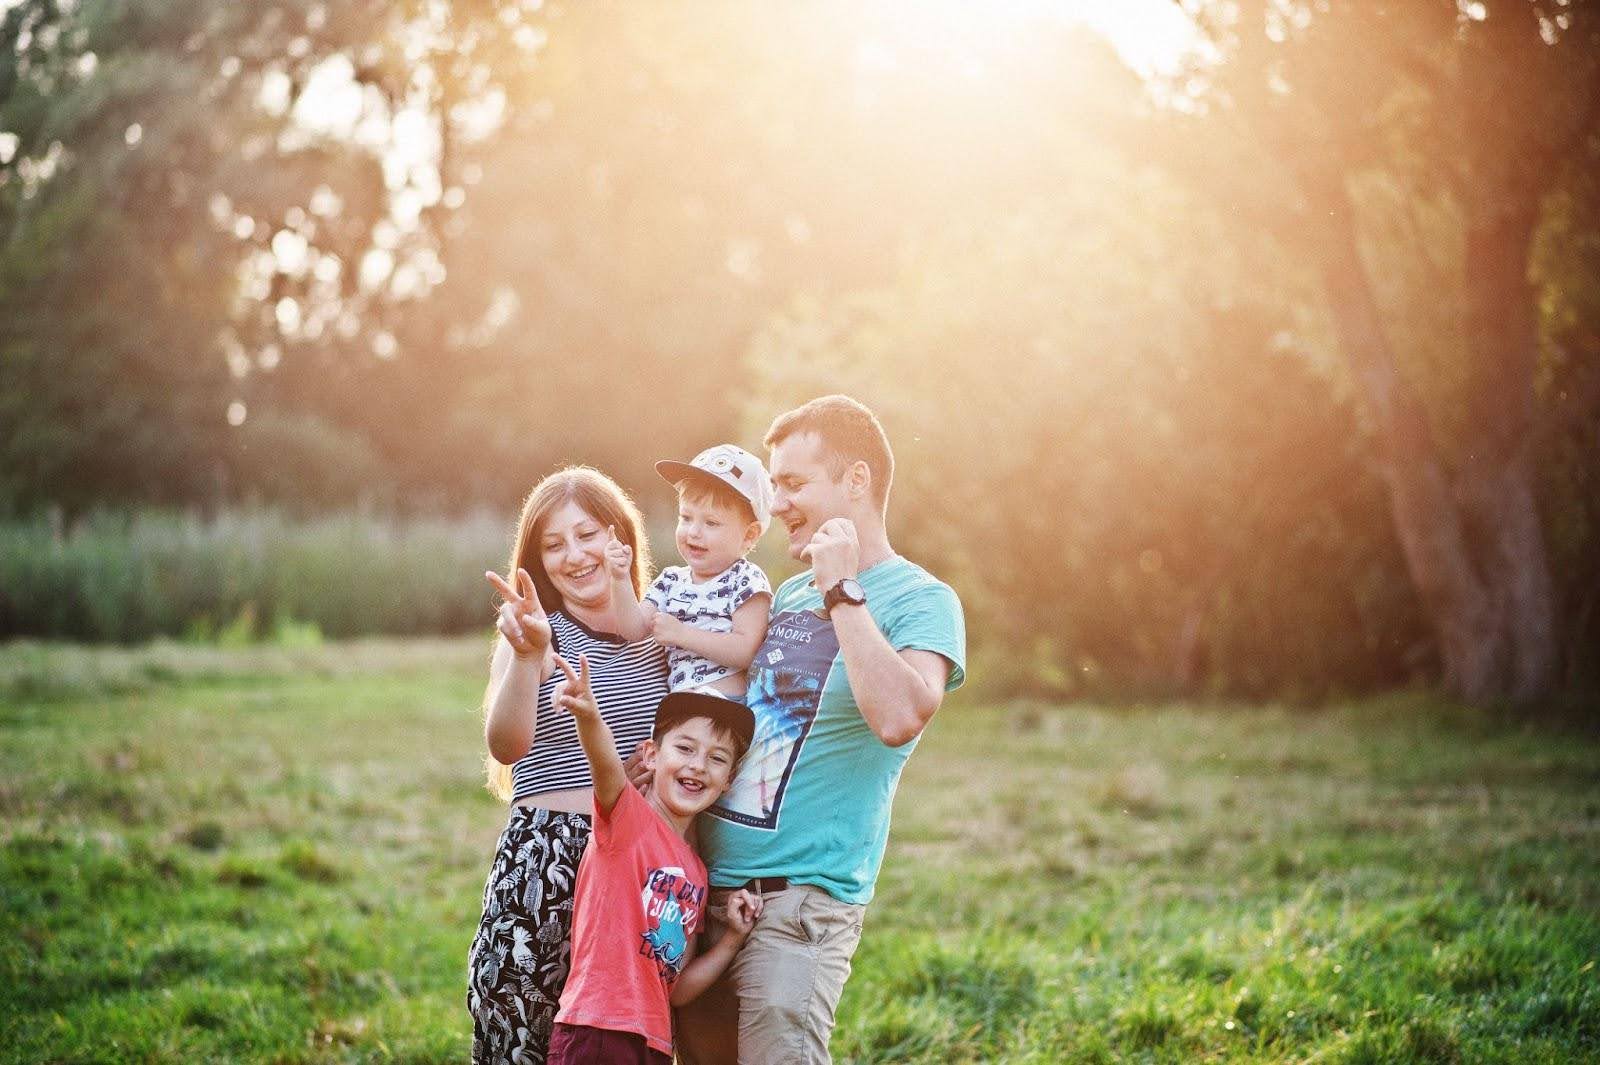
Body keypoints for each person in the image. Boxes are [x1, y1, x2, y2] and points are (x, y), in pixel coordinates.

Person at [676, 395, 967, 1065]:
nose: (775, 502)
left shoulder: (921, 599)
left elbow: (898, 715)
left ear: (855, 481)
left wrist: (843, 589)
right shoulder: (790, 595)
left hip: (797, 912)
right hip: (714, 900)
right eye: (775, 484)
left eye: (793, 482)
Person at [468, 467, 669, 1065]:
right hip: (546, 865)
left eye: (586, 535)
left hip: (634, 873)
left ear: (618, 537)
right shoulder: (534, 631)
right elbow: (505, 745)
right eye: (553, 545)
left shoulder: (660, 633)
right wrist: (529, 657)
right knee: (521, 1036)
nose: (574, 556)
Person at [544, 658, 766, 1065]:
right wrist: (590, 717)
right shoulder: (628, 819)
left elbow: (677, 989)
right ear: (650, 756)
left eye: (717, 758)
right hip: (596, 1030)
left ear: (729, 780)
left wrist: (733, 938)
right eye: (684, 748)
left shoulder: (697, 873)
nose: (698, 765)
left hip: (655, 1042)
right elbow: (606, 767)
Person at [631, 444, 774, 698]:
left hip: (726, 707)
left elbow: (746, 650)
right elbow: (633, 629)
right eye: (686, 518)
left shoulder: (746, 579)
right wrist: (619, 577)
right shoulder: (670, 580)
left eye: (711, 523)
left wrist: (682, 634)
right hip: (679, 710)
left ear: (749, 535)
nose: (694, 532)